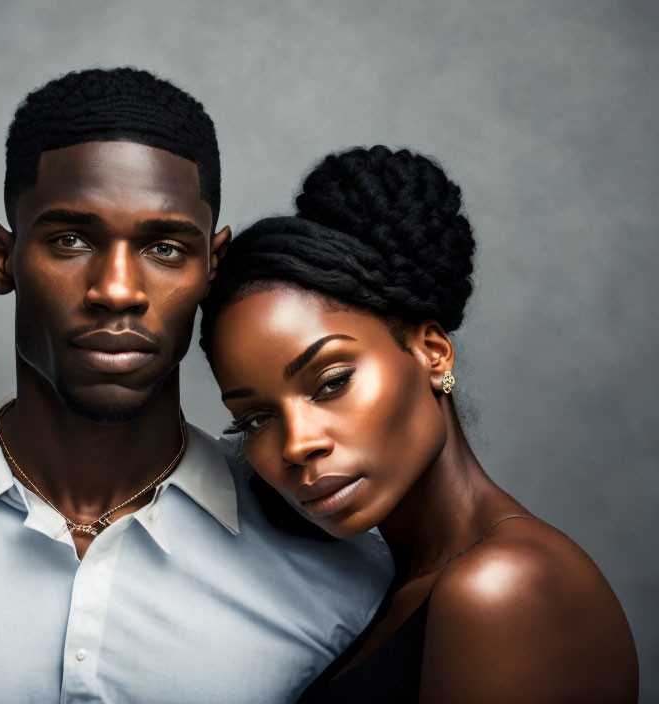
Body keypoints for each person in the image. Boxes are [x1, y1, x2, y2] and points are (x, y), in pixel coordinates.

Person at [0, 69, 392, 703]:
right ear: (1, 259)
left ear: (212, 269)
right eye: (70, 239)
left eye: (166, 248)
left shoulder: (344, 575)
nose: (116, 289)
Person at [199, 145, 639, 703]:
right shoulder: (398, 583)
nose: (298, 444)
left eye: (331, 381)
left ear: (432, 352)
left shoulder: (502, 586)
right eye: (256, 418)